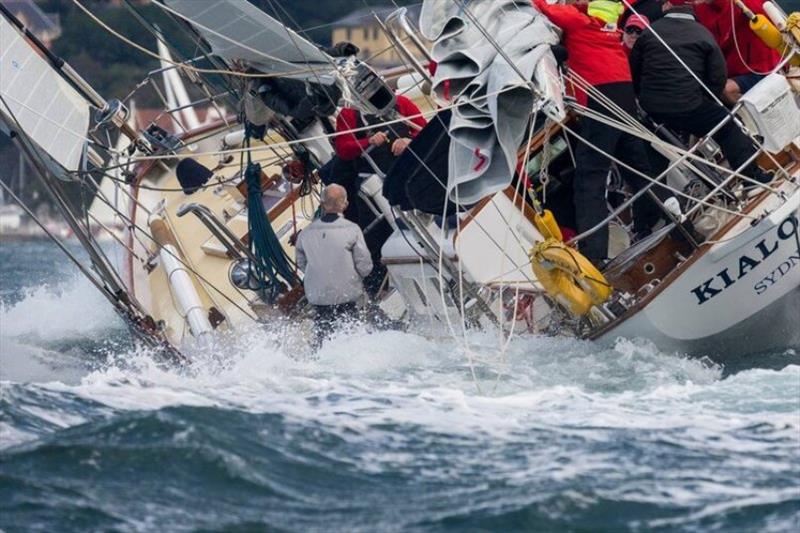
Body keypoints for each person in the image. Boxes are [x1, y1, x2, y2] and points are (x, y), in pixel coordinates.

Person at [534, 0, 664, 264]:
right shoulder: (609, 26)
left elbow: (545, 8)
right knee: (637, 166)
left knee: (589, 179)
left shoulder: (577, 21)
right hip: (623, 91)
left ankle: (595, 256)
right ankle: (663, 216)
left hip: (599, 97)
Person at [629, 0, 770, 184]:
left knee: (655, 154)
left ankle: (659, 205)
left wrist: (646, 97)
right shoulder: (702, 34)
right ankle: (752, 179)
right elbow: (717, 77)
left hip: (653, 109)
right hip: (689, 105)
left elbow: (635, 71)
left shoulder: (649, 33)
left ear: (668, 8)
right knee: (727, 127)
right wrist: (706, 99)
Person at [295, 184, 373, 349]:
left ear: (322, 205)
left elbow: (301, 264)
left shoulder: (305, 234)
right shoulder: (352, 229)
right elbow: (365, 266)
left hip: (318, 297)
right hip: (347, 296)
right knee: (352, 337)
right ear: (345, 204)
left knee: (323, 338)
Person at [695, 0, 781, 103]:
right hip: (727, 72)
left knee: (725, 90)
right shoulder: (699, 8)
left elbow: (776, 23)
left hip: (761, 69)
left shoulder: (744, 4)